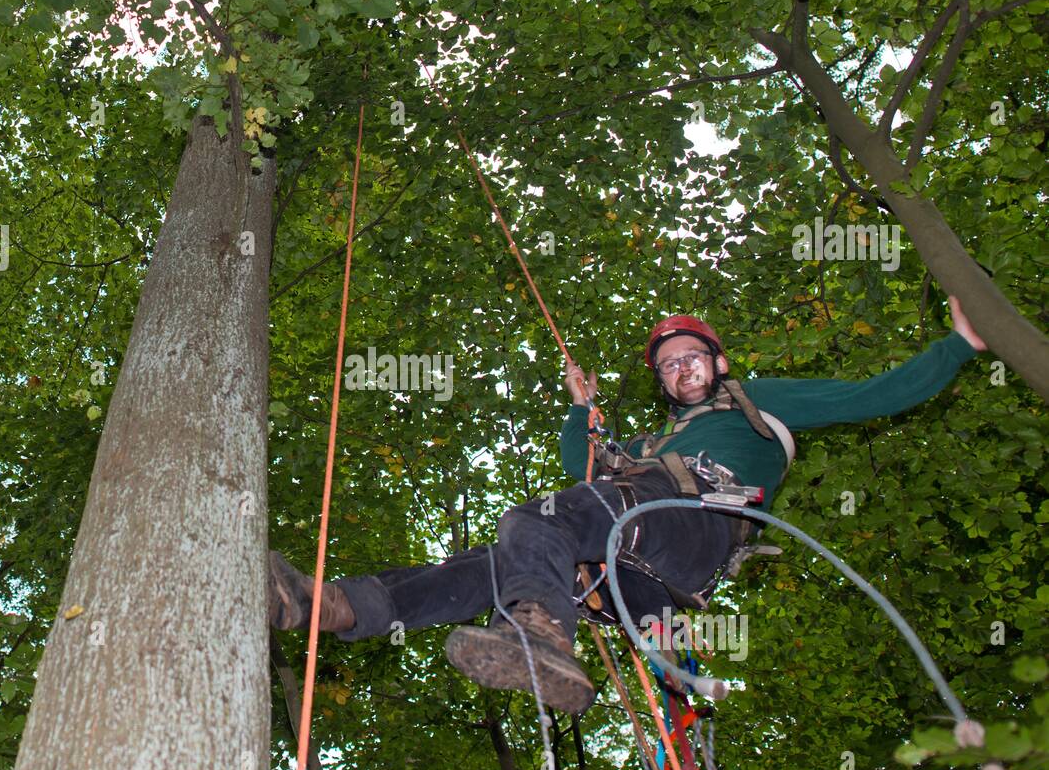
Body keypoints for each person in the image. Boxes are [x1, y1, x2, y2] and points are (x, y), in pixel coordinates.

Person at [268, 298, 985, 713]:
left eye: (692, 357)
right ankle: (335, 605)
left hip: (691, 523)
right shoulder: (647, 440)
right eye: (669, 365)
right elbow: (578, 473)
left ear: (719, 360)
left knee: (534, 520)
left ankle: (542, 636)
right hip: (632, 563)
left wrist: (958, 345)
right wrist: (584, 415)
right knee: (490, 564)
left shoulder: (757, 402)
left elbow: (872, 395)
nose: (681, 370)